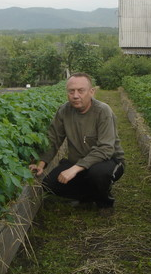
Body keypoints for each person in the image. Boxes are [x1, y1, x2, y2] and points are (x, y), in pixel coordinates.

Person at [29, 72, 125, 208]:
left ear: (91, 92)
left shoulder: (103, 111)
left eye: (81, 91)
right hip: (78, 162)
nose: (75, 96)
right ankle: (89, 196)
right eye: (71, 91)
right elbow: (54, 138)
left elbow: (106, 149)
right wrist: (41, 163)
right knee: (49, 184)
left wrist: (74, 169)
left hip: (109, 161)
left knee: (98, 174)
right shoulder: (64, 111)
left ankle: (104, 200)